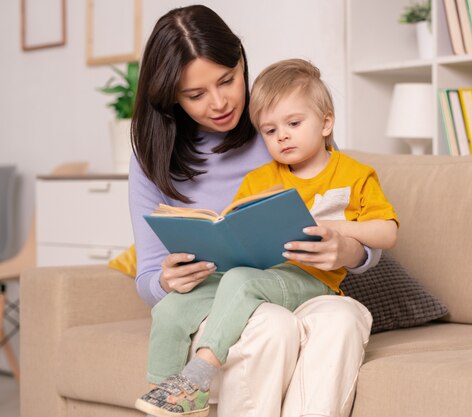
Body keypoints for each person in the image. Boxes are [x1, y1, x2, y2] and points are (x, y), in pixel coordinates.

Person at [129, 5, 380, 417]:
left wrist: (349, 252)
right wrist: (166, 281)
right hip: (216, 302)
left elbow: (350, 212)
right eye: (195, 95)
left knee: (345, 317)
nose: (219, 102)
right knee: (270, 327)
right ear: (171, 98)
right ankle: (187, 385)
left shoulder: (281, 125)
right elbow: (147, 278)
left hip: (298, 283)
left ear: (242, 61)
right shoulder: (152, 159)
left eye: (228, 80)